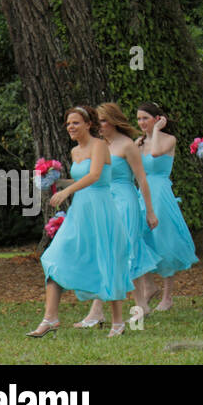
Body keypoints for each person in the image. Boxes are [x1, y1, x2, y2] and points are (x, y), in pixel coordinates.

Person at [29, 106, 131, 338]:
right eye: (68, 124)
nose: (71, 128)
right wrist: (54, 182)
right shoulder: (75, 152)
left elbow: (94, 176)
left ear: (88, 124)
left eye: (75, 123)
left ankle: (118, 322)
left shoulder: (100, 146)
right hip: (80, 210)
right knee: (54, 257)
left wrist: (66, 193)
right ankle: (50, 318)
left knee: (107, 260)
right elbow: (78, 179)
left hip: (101, 209)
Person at [74, 102, 160, 327]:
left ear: (112, 121)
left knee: (119, 254)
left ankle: (97, 311)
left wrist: (149, 211)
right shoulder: (99, 146)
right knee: (111, 253)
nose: (99, 126)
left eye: (103, 121)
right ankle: (141, 306)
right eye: (97, 121)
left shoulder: (127, 145)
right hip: (105, 202)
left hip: (126, 201)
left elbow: (142, 179)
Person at [135, 102, 199, 310]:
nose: (142, 122)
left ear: (157, 119)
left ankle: (167, 296)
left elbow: (154, 154)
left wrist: (156, 132)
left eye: (146, 118)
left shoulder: (169, 139)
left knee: (164, 238)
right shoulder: (139, 142)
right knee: (139, 237)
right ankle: (148, 285)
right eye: (139, 119)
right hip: (142, 192)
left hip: (160, 190)